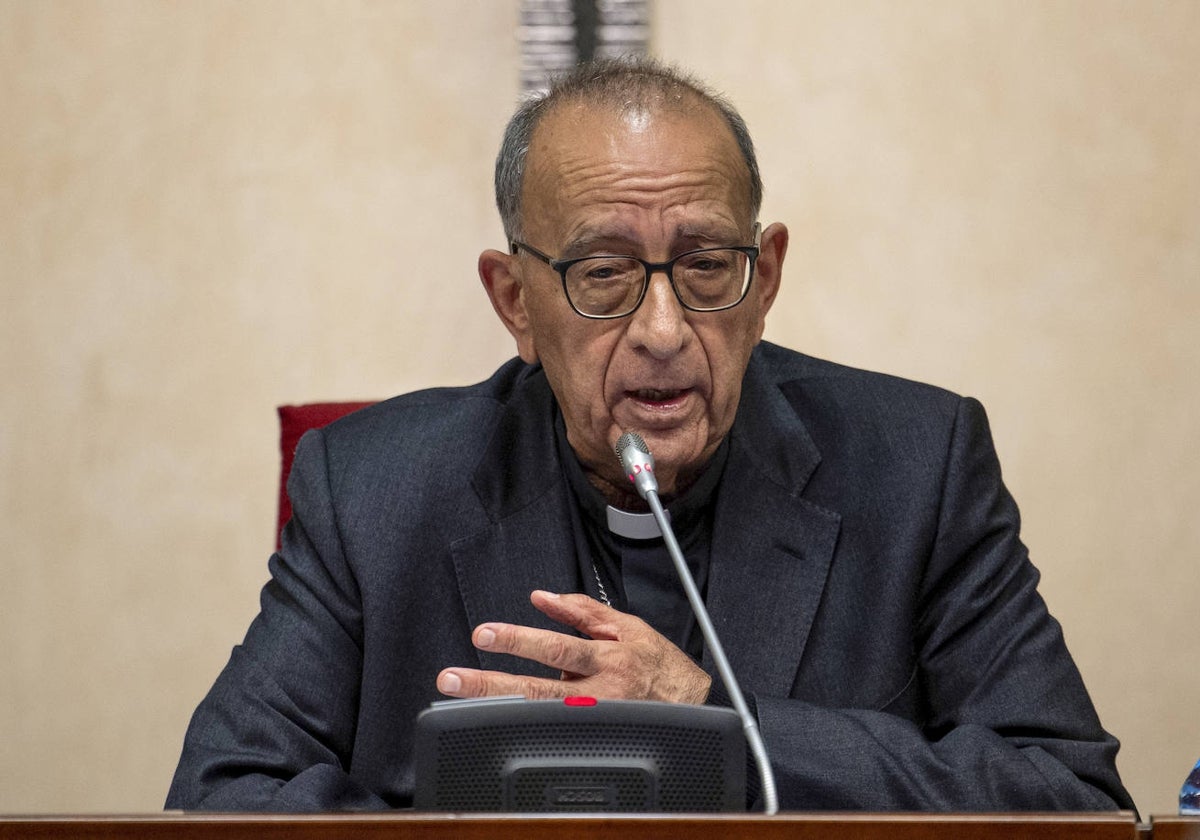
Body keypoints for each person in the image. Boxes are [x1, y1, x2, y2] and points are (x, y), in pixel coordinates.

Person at [166, 57, 1135, 812]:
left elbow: (1067, 792)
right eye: (602, 272)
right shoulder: (370, 488)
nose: (665, 331)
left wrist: (722, 729)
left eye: (709, 264)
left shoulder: (917, 464)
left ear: (767, 280)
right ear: (514, 300)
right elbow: (223, 796)